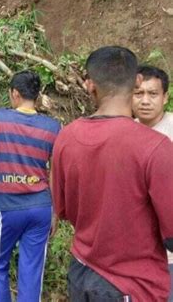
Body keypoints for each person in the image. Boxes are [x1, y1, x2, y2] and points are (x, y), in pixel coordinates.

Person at [52, 46, 173, 301]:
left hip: (81, 273)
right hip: (132, 285)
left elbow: (63, 210)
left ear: (89, 85)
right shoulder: (155, 147)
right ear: (137, 80)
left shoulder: (65, 137)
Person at [0, 70, 61, 302]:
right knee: (32, 271)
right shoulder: (53, 127)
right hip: (41, 208)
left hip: (9, 206)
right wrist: (55, 209)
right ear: (36, 95)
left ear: (15, 93)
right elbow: (55, 173)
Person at [132, 64, 173, 301]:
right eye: (139, 93)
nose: (145, 101)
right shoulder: (126, 131)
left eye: (153, 94)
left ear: (165, 97)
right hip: (137, 255)